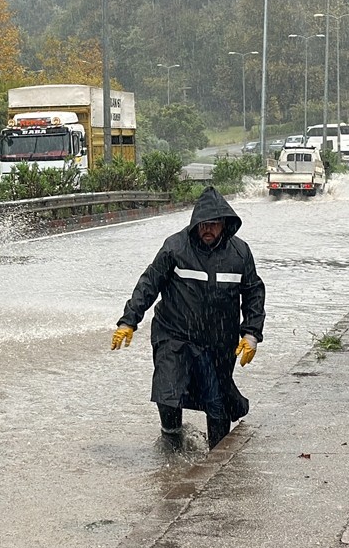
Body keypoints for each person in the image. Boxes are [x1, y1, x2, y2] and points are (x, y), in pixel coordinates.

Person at [110, 187, 266, 449]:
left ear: (224, 225)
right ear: (195, 224)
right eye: (203, 224)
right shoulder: (176, 247)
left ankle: (217, 458)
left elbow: (253, 294)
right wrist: (128, 321)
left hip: (217, 342)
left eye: (214, 225)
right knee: (168, 391)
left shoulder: (240, 254)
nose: (208, 230)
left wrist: (251, 334)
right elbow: (149, 283)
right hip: (174, 334)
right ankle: (171, 441)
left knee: (217, 404)